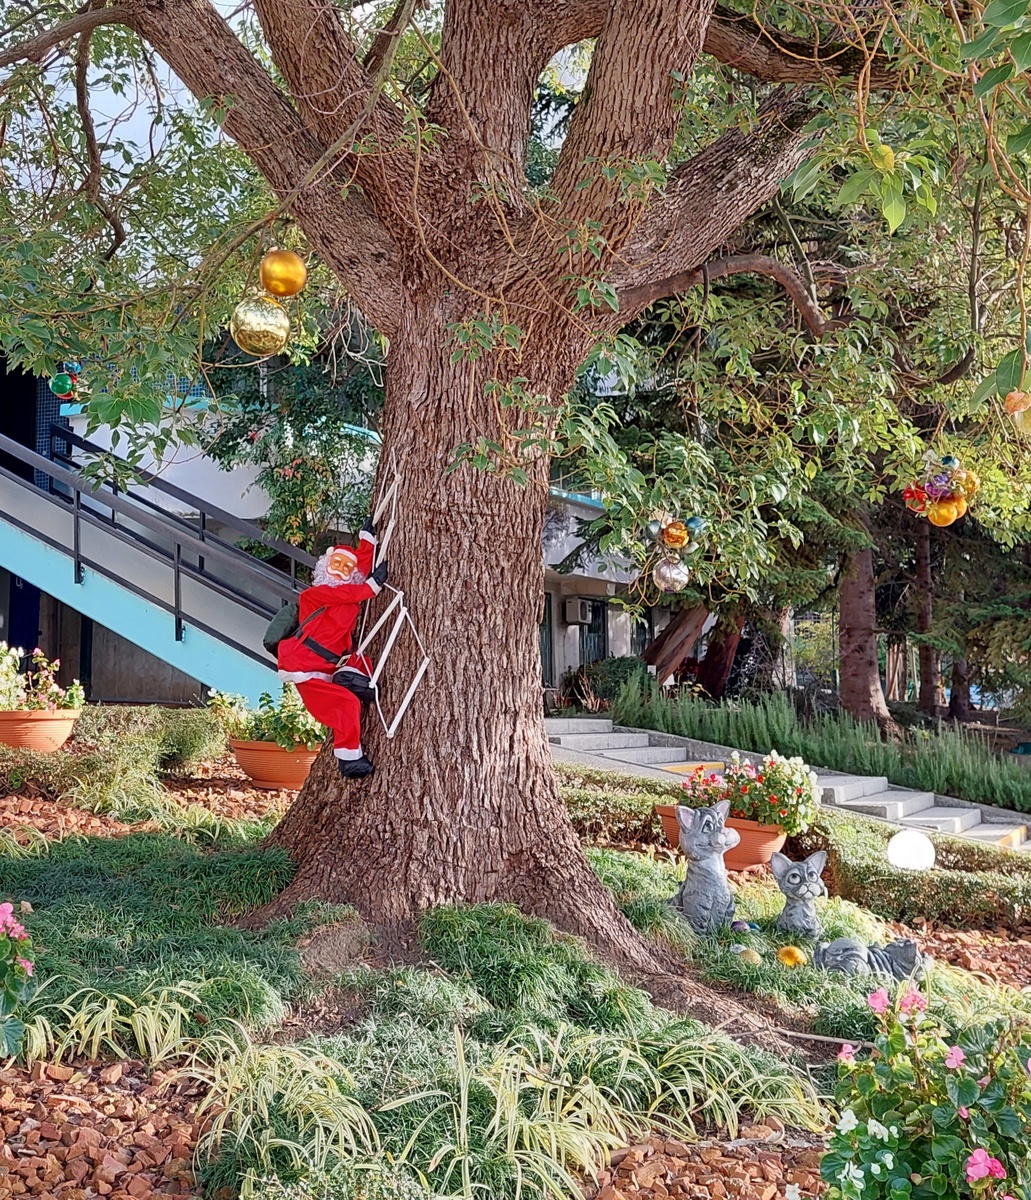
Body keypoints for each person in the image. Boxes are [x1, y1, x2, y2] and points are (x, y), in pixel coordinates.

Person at [277, 518, 388, 778]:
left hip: (334, 662)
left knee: (359, 662)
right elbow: (343, 592)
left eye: (346, 567)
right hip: (305, 666)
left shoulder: (350, 592)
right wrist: (371, 587)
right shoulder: (313, 596)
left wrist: (366, 541)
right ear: (324, 567)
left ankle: (355, 680)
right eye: (335, 564)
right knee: (346, 705)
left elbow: (355, 573)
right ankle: (349, 759)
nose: (340, 569)